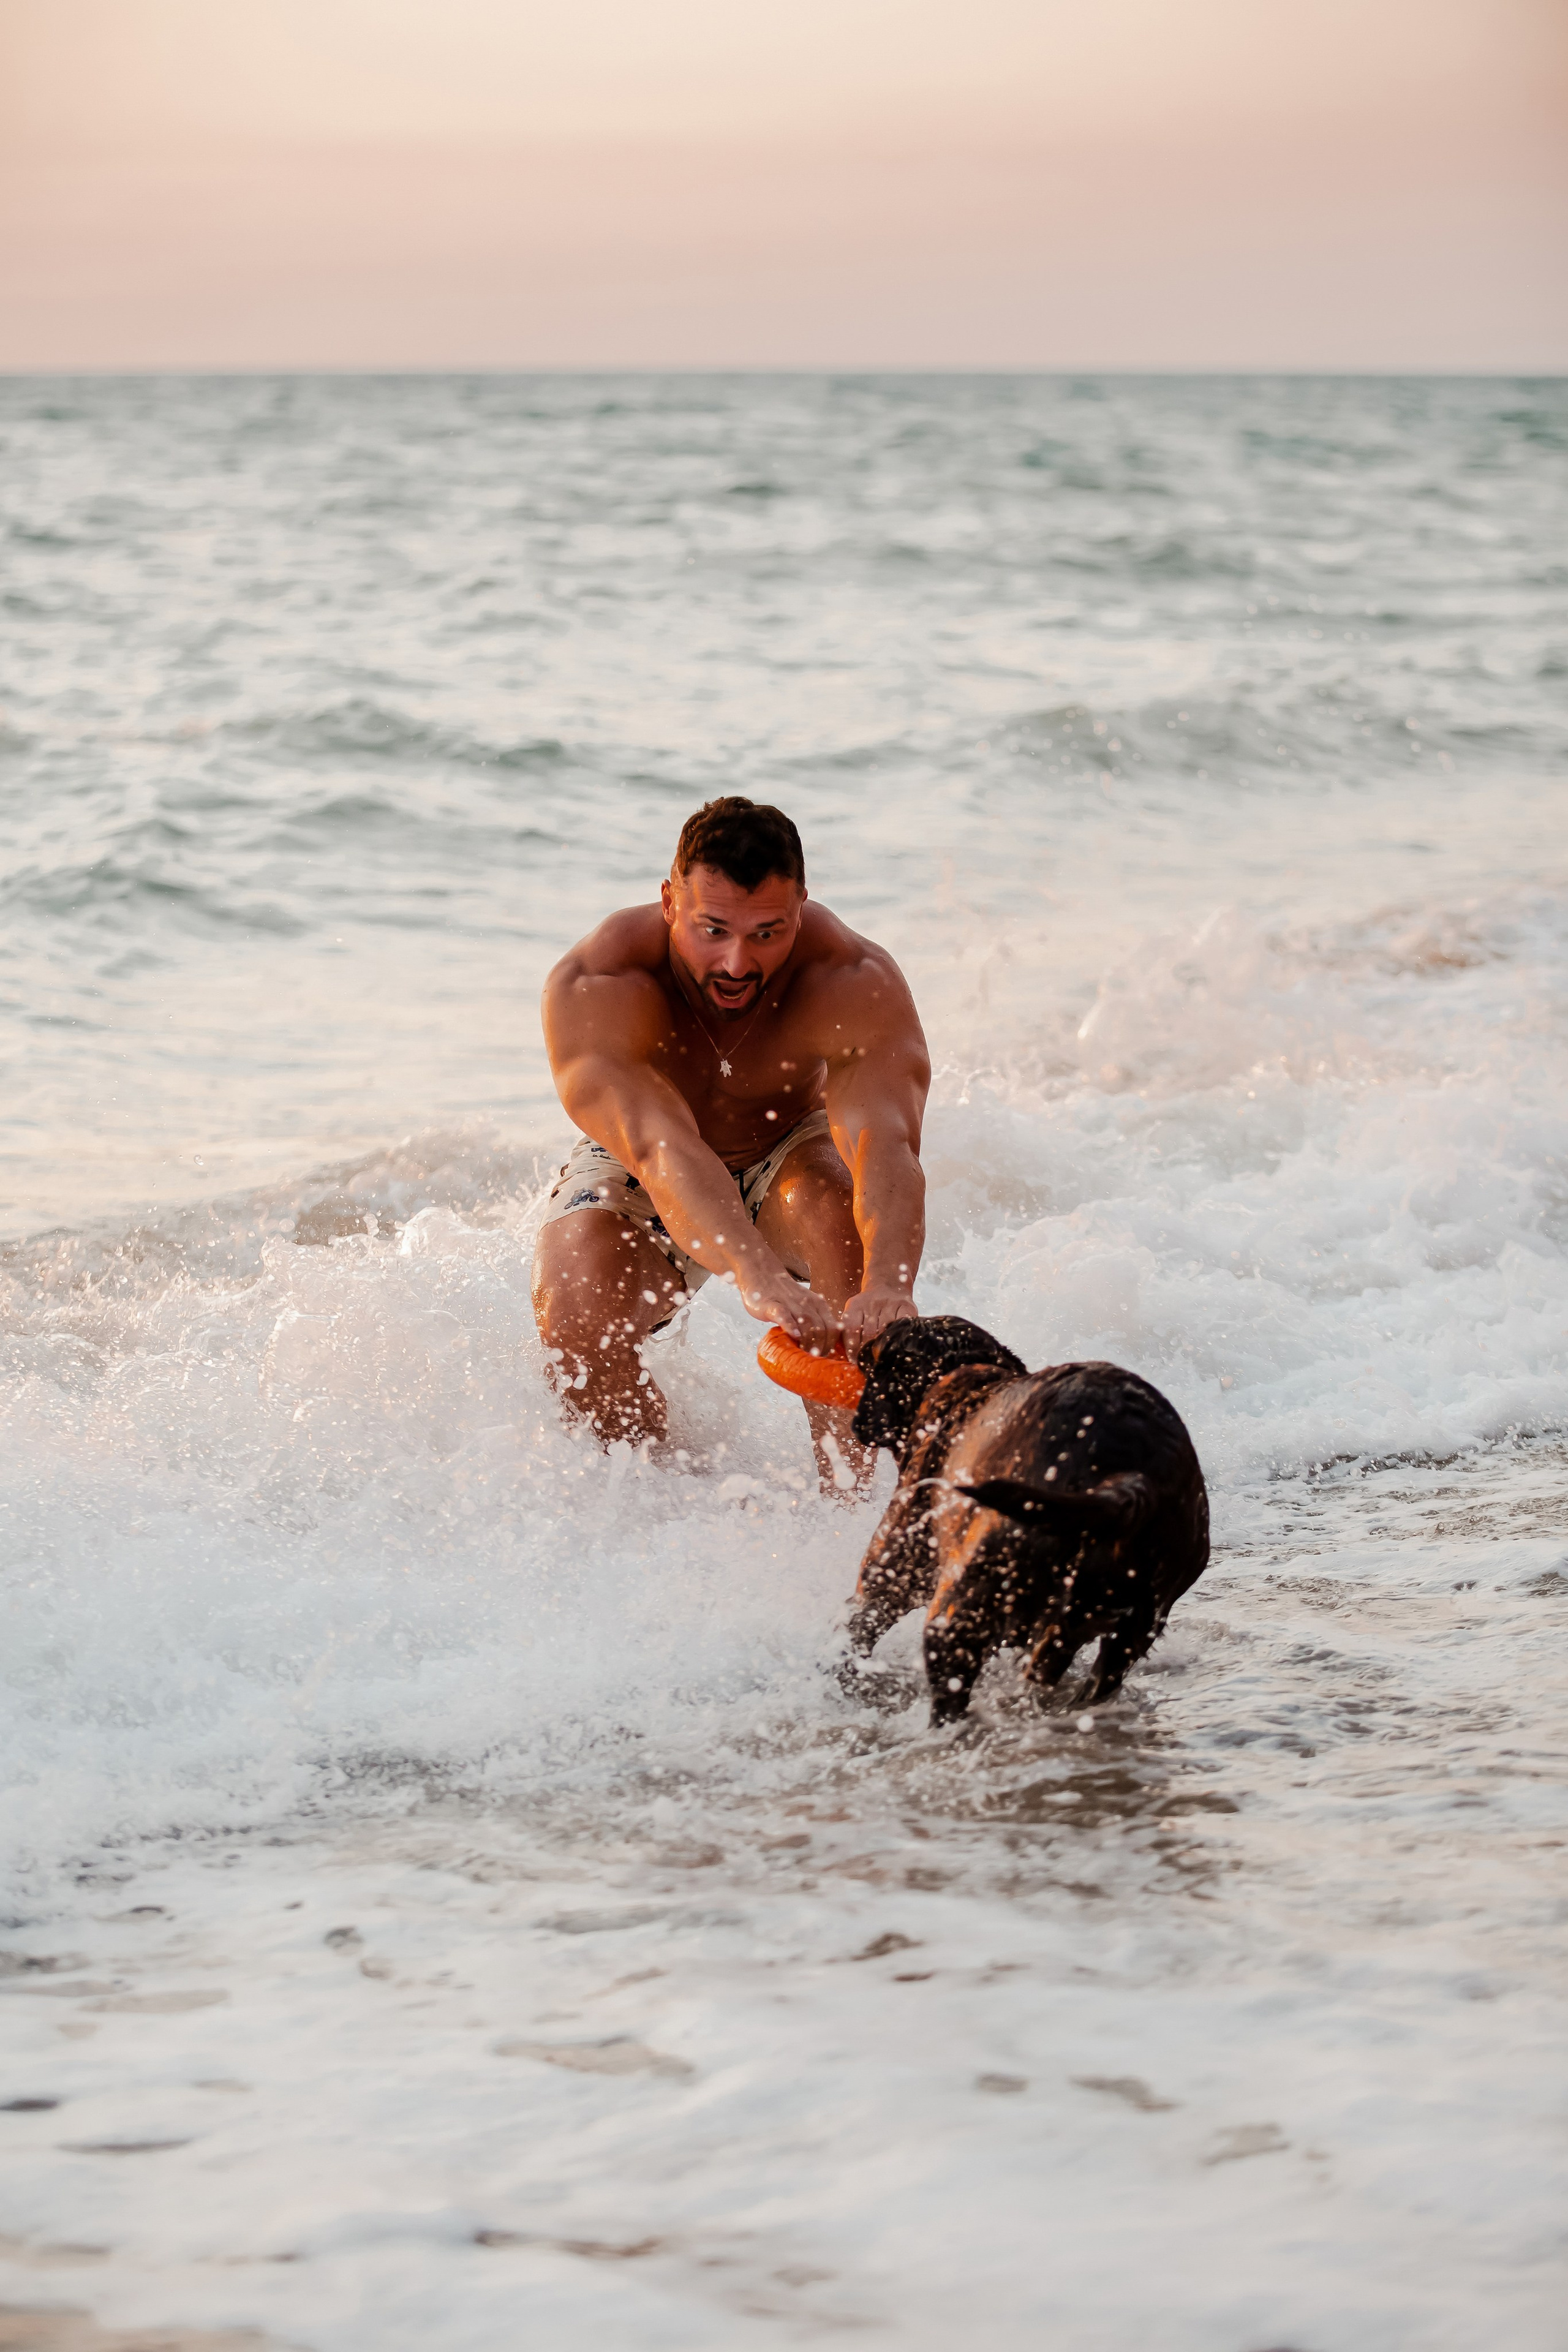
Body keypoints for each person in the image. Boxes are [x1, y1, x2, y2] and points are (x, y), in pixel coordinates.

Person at [533, 797, 930, 1487]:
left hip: (787, 1146)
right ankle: (652, 1506)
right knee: (574, 1294)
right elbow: (659, 1150)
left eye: (768, 933)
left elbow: (886, 1145)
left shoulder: (851, 981)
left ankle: (856, 1512)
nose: (737, 962)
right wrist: (756, 1273)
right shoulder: (599, 984)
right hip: (649, 1159)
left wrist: (890, 1284)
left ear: (801, 906)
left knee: (841, 1222)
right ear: (668, 902)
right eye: (712, 929)